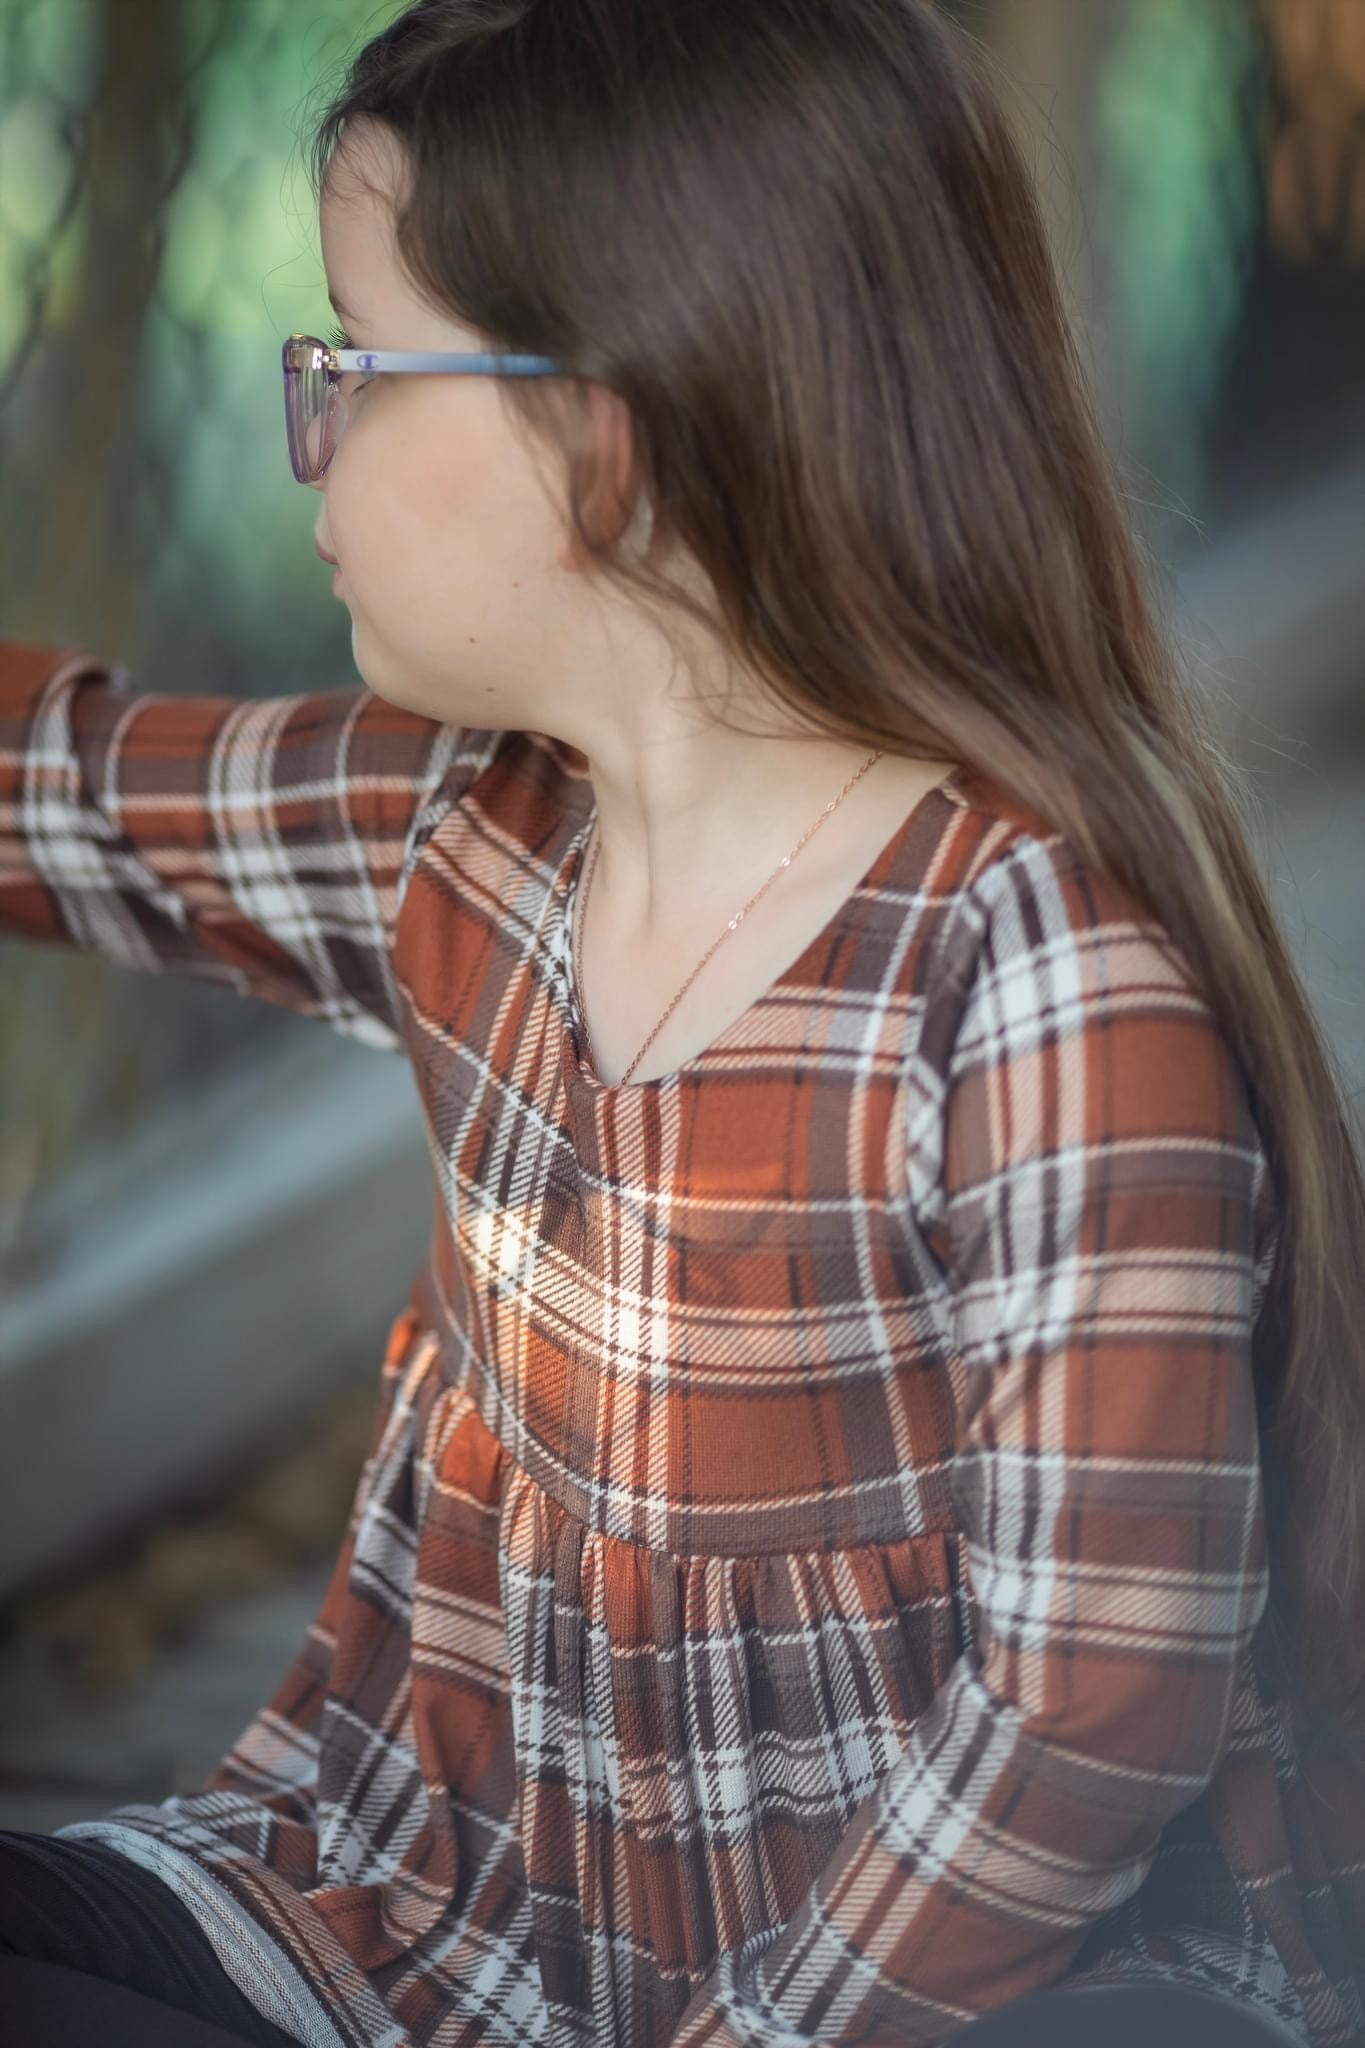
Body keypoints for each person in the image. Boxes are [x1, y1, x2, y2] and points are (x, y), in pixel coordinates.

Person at [1, 3, 1363, 2044]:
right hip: (439, 1933)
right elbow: (78, 794)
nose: (312, 424)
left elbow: (1079, 1727)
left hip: (961, 1988)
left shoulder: (1039, 984)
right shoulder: (470, 829)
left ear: (605, 446)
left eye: (354, 366)